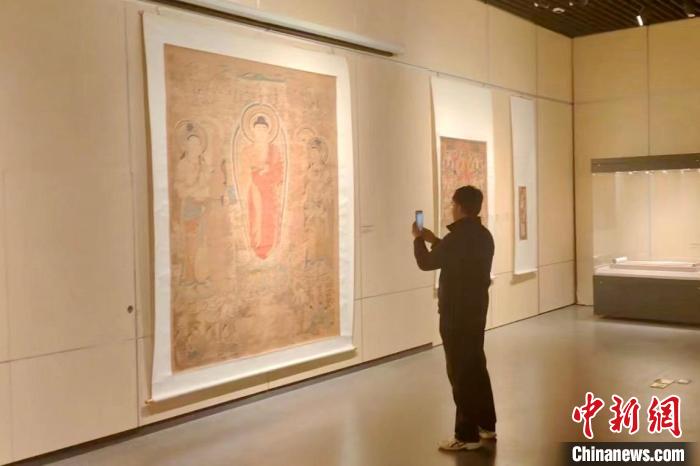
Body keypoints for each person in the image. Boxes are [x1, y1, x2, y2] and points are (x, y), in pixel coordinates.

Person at [412, 185, 496, 452]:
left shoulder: (457, 238)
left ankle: (466, 434)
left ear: (459, 207)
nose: (451, 208)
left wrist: (418, 239)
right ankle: (486, 424)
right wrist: (435, 239)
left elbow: (426, 263)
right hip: (476, 311)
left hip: (455, 315)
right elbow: (457, 257)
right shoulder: (484, 236)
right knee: (476, 367)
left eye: (452, 204)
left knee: (459, 372)